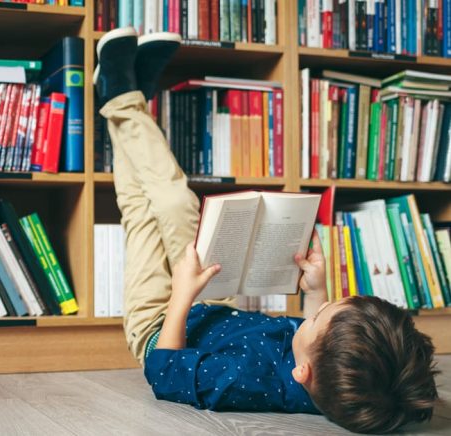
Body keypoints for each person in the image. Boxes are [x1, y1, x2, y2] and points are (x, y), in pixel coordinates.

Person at [94, 27, 439, 434]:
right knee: (171, 201)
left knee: (142, 210)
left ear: (302, 372)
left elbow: (165, 372)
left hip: (157, 321)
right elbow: (323, 339)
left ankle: (123, 97)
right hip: (212, 300)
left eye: (316, 317)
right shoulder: (334, 371)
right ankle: (123, 98)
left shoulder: (240, 383)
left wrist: (181, 295)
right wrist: (315, 293)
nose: (312, 316)